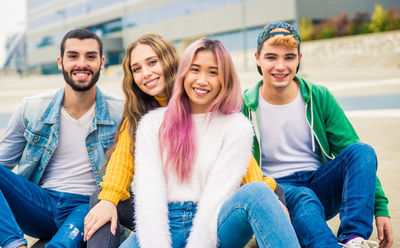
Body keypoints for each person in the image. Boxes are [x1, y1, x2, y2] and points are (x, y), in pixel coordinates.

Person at [83, 34, 284, 247]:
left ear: (172, 63)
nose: (146, 73)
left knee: (273, 190)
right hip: (164, 207)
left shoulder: (200, 96)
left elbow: (237, 158)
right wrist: (108, 199)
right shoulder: (139, 116)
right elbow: (121, 164)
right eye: (137, 69)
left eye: (152, 62)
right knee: (101, 198)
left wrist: (264, 191)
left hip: (211, 203)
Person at [241, 21, 393, 248]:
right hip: (277, 190)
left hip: (319, 181)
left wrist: (381, 208)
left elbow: (351, 148)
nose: (280, 66)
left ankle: (352, 238)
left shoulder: (318, 97)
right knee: (304, 199)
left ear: (299, 58)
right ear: (257, 58)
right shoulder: (244, 106)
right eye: (271, 57)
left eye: (289, 57)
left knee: (362, 152)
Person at [0, 28, 124, 248]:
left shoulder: (120, 112)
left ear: (102, 62)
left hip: (86, 206)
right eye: (73, 56)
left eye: (91, 56)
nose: (82, 64)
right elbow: (3, 165)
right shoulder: (32, 108)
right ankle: (14, 244)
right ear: (60, 62)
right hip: (39, 203)